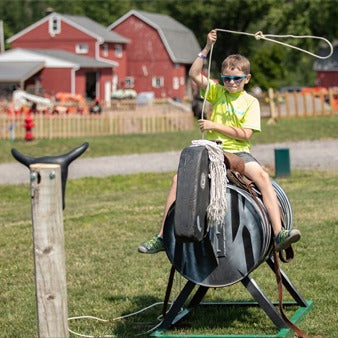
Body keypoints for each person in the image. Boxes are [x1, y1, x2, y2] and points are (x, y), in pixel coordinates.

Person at [138, 29, 301, 254]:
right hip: (212, 150)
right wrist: (206, 48)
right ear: (222, 78)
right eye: (227, 78)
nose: (231, 82)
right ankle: (162, 237)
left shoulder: (250, 102)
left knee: (263, 177)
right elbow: (194, 74)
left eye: (236, 78)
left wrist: (215, 126)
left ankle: (279, 232)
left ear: (247, 79)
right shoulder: (217, 92)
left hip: (239, 154)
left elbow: (245, 134)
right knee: (178, 180)